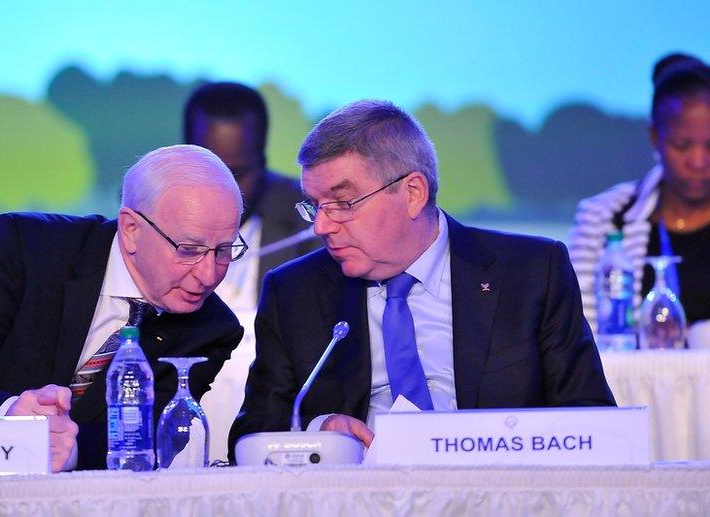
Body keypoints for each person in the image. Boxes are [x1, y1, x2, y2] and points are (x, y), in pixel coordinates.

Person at [229, 100, 615, 456]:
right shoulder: (295, 293)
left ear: (413, 192)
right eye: (315, 206)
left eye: (343, 203)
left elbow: (593, 420)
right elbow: (252, 435)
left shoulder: (531, 272)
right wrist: (318, 432)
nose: (322, 226)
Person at [0, 145, 246, 472]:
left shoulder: (210, 328)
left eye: (225, 250)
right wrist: (10, 415)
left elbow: (146, 440)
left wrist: (68, 452)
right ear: (132, 229)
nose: (209, 273)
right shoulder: (25, 250)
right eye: (188, 249)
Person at [570, 59, 710, 332]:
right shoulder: (604, 217)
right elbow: (577, 332)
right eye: (682, 146)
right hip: (621, 375)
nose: (698, 161)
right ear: (655, 136)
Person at [184, 82, 318, 308]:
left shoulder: (309, 222)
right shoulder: (153, 218)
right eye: (211, 173)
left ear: (263, 161)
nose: (226, 193)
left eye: (237, 174)